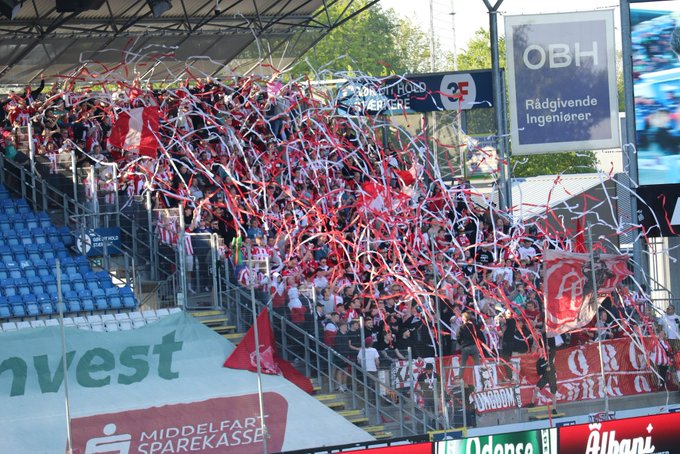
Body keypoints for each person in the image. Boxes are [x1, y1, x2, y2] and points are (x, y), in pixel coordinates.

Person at [530, 332, 558, 414]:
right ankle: (532, 403)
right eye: (540, 351)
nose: (542, 352)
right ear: (538, 353)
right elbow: (539, 372)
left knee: (553, 393)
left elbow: (553, 349)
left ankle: (554, 409)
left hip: (552, 376)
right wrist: (543, 374)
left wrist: (546, 338)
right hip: (545, 377)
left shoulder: (549, 356)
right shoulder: (539, 362)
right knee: (536, 389)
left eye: (542, 350)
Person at [457, 311, 482, 381]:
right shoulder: (473, 326)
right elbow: (478, 330)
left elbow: (458, 337)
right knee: (477, 363)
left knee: (463, 363)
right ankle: (478, 377)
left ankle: (460, 377)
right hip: (474, 346)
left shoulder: (461, 328)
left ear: (463, 319)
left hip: (465, 347)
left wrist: (462, 344)